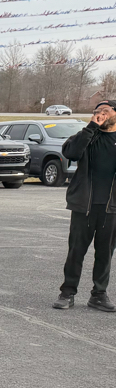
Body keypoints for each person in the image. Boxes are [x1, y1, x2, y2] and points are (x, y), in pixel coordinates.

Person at [53, 100, 116, 312]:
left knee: (105, 253)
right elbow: (70, 152)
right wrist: (91, 127)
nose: (101, 114)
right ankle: (67, 292)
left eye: (106, 111)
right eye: (98, 111)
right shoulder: (88, 136)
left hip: (111, 208)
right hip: (84, 205)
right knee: (76, 251)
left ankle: (98, 294)